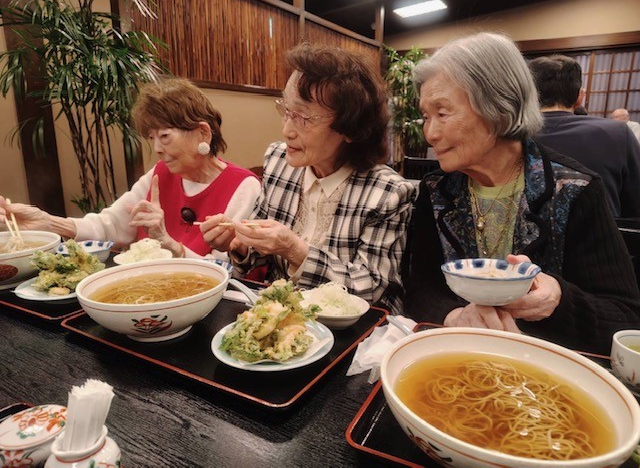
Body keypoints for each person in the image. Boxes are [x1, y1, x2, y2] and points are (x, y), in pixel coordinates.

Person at [403, 32, 640, 354]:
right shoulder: (436, 191)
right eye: (426, 116)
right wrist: (454, 316)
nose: (430, 133)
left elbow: (625, 317)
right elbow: (419, 289)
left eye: (442, 113)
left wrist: (559, 299)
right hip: (459, 357)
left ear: (499, 107)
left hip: (542, 365)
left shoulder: (573, 190)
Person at [201, 43, 416, 313]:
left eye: (303, 117)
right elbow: (259, 248)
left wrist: (296, 250)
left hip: (350, 329)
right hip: (278, 316)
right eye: (286, 110)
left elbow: (373, 288)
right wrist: (241, 245)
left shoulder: (388, 192)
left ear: (351, 128)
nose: (287, 130)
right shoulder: (279, 161)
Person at [0, 78, 260, 259]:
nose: (156, 148)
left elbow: (228, 270)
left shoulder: (243, 186)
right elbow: (110, 225)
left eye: (165, 136)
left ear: (203, 132)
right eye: (151, 137)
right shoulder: (159, 173)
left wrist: (167, 242)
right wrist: (49, 223)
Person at [529, 55, 640, 218]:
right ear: (580, 97)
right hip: (599, 232)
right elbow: (635, 206)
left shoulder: (509, 136)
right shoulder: (617, 133)